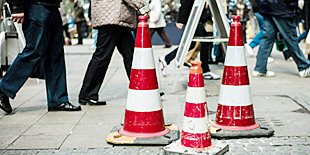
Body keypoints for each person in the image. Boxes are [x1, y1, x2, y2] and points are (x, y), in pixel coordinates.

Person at [0, 0, 82, 114]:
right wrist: (16, 6)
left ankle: (58, 99)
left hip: (52, 5)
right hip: (35, 5)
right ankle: (4, 88)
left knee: (55, 54)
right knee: (34, 51)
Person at [78, 0, 147, 105]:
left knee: (130, 54)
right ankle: (87, 94)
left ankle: (142, 88)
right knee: (103, 56)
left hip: (115, 16)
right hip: (113, 16)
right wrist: (141, 8)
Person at [159, 0, 220, 80]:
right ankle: (205, 70)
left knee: (198, 43)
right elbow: (185, 2)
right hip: (195, 18)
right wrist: (181, 20)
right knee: (197, 43)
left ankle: (166, 59)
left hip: (202, 17)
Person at [252, 0, 310, 78]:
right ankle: (304, 66)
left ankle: (260, 68)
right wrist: (294, 6)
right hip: (282, 8)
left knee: (267, 38)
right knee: (291, 38)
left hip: (267, 6)